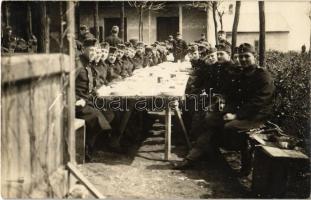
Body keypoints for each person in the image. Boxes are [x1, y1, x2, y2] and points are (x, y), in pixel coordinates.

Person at [175, 43, 275, 177]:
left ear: (254, 57)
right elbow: (232, 95)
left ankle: (243, 165)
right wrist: (220, 104)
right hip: (240, 112)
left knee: (227, 126)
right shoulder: (242, 74)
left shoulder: (262, 76)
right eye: (241, 57)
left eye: (247, 56)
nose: (243, 59)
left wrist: (235, 115)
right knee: (210, 118)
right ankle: (195, 156)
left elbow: (259, 102)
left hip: (256, 116)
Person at [75, 37, 114, 161]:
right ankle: (85, 150)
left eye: (95, 50)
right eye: (91, 50)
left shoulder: (88, 64)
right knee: (97, 118)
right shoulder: (77, 64)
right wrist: (76, 99)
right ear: (84, 49)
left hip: (88, 100)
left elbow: (91, 85)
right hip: (77, 103)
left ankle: (93, 146)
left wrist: (98, 92)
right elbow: (65, 85)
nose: (93, 53)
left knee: (109, 113)